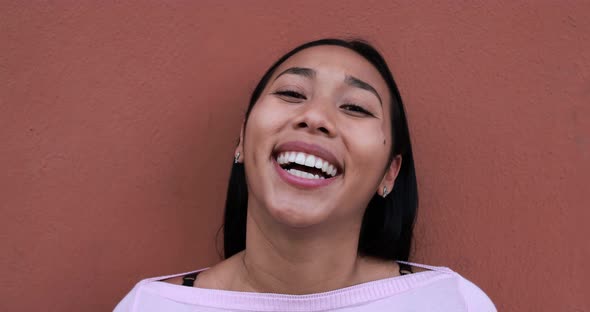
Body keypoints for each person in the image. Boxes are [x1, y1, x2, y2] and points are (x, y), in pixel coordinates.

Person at [114, 38, 496, 311]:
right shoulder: (148, 306)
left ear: (390, 174)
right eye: (293, 93)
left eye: (356, 108)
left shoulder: (453, 303)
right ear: (243, 139)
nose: (315, 117)